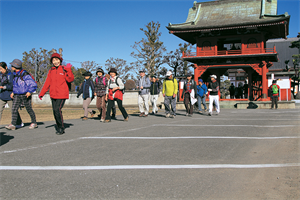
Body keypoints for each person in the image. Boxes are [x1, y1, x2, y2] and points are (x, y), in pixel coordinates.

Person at [39, 53, 74, 135]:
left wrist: (69, 70)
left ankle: (61, 128)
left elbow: (70, 79)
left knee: (57, 110)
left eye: (57, 60)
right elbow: (47, 83)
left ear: (60, 60)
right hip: (53, 94)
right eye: (53, 60)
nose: (55, 62)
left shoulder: (64, 69)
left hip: (62, 94)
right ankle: (58, 126)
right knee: (55, 112)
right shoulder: (51, 71)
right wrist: (42, 93)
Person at [5, 59, 38, 130]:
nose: (11, 66)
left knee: (29, 109)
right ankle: (13, 124)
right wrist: (13, 92)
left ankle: (34, 122)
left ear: (16, 66)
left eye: (12, 65)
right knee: (14, 109)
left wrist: (30, 91)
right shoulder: (14, 74)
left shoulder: (24, 74)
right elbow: (15, 85)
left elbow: (32, 84)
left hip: (25, 94)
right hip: (17, 94)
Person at [0, 62, 23, 128]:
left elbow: (12, 85)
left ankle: (19, 122)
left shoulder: (11, 74)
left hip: (10, 95)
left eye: (1, 68)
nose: (0, 70)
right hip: (2, 95)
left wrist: (3, 87)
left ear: (6, 67)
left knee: (13, 110)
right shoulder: (0, 75)